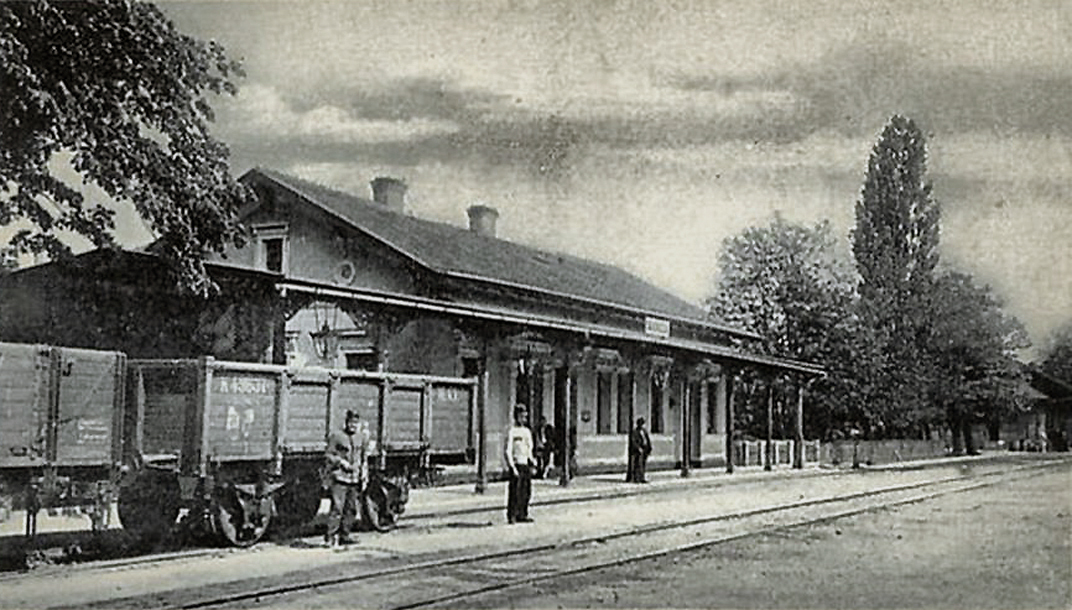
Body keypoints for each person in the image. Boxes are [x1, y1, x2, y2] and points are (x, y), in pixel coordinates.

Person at [324, 409, 370, 547]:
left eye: (355, 423)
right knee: (337, 508)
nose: (353, 425)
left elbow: (364, 457)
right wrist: (341, 462)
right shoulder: (337, 436)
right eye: (351, 422)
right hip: (340, 477)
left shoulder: (361, 438)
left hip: (354, 478)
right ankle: (330, 537)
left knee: (351, 509)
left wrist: (364, 474)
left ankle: (345, 535)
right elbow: (329, 454)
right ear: (346, 422)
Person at [504, 404, 535, 523]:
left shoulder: (527, 432)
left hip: (525, 463)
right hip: (516, 464)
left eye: (525, 416)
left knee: (526, 491)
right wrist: (512, 466)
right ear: (516, 416)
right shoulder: (512, 431)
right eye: (521, 416)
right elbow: (508, 450)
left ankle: (522, 514)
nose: (523, 419)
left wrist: (532, 462)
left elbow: (529, 449)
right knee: (514, 491)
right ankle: (512, 515)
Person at [627, 417, 652, 483]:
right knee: (638, 464)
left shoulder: (644, 431)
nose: (641, 425)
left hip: (645, 448)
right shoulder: (635, 432)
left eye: (642, 423)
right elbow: (634, 441)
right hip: (638, 450)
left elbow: (647, 439)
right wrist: (638, 448)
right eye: (640, 424)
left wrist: (649, 447)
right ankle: (637, 478)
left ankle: (642, 477)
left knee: (643, 464)